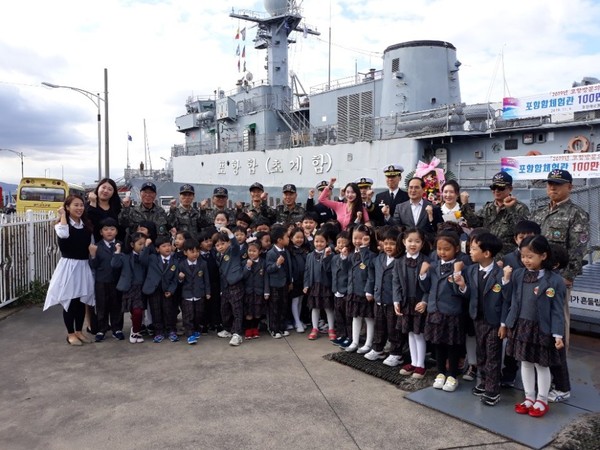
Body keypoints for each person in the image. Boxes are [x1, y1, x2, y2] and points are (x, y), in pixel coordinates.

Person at [529, 169, 588, 403]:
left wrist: (567, 276)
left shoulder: (576, 214)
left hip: (558, 281)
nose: (552, 188)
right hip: (536, 279)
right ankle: (543, 374)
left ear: (569, 187)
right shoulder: (541, 212)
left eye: (558, 185)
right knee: (538, 326)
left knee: (558, 328)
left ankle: (560, 381)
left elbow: (578, 250)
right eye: (550, 184)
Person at [504, 235, 566, 418]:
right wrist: (506, 280)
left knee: (541, 364)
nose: (526, 260)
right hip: (522, 326)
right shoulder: (517, 274)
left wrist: (558, 335)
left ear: (544, 256)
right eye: (523, 256)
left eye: (530, 256)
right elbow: (510, 298)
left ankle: (542, 399)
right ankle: (529, 397)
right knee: (525, 362)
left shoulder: (554, 281)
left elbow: (557, 310)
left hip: (542, 329)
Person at [454, 232, 510, 406]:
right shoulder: (470, 270)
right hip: (477, 319)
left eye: (473, 249)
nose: (470, 251)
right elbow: (468, 294)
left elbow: (507, 300)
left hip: (494, 322)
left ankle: (493, 390)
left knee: (493, 355)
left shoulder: (500, 273)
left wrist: (503, 324)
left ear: (486, 253)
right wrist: (462, 286)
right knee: (481, 352)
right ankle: (484, 382)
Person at [43, 195, 95, 346]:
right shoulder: (61, 225)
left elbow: (89, 244)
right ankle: (70, 333)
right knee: (70, 301)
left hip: (83, 265)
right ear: (67, 207)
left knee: (80, 300)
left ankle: (79, 331)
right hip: (69, 266)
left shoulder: (86, 225)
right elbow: (64, 234)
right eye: (75, 205)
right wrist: (62, 216)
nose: (79, 208)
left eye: (81, 205)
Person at [422, 231, 470, 392]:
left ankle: (452, 375)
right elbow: (426, 288)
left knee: (452, 345)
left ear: (456, 249)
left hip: (451, 312)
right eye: (439, 249)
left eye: (446, 249)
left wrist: (457, 273)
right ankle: (440, 372)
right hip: (435, 311)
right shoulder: (434, 265)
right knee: (438, 344)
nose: (442, 252)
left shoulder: (461, 266)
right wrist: (422, 274)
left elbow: (461, 292)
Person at [460, 172, 530, 258]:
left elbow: (521, 231)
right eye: (493, 187)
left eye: (500, 187)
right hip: (488, 254)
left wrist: (511, 209)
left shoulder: (520, 208)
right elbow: (475, 223)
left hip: (507, 256)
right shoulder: (488, 207)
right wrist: (465, 205)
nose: (496, 190)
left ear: (510, 189)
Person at [394, 228, 431, 379]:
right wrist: (396, 300)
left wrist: (425, 301)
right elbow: (395, 282)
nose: (413, 244)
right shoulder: (399, 261)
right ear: (403, 242)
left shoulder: (426, 261)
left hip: (419, 302)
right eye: (410, 241)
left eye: (417, 241)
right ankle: (414, 362)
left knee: (419, 333)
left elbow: (430, 285)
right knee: (410, 332)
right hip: (405, 302)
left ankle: (421, 365)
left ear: (422, 244)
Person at [364, 228, 403, 366]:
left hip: (393, 301)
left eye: (392, 243)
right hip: (379, 299)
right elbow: (371, 273)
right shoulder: (379, 257)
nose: (388, 247)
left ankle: (396, 353)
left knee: (394, 328)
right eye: (386, 243)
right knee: (379, 326)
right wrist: (370, 291)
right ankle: (378, 349)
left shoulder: (401, 260)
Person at [88, 217, 123, 342]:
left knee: (116, 305)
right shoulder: (96, 246)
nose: (109, 232)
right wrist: (92, 255)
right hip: (101, 281)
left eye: (112, 229)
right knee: (101, 306)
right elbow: (93, 265)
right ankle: (101, 329)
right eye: (106, 229)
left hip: (116, 281)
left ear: (116, 231)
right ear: (101, 232)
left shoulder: (120, 245)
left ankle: (117, 329)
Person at [344, 224, 377, 353]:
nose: (357, 241)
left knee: (369, 318)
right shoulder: (352, 254)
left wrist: (369, 290)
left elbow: (371, 275)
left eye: (361, 238)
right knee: (355, 317)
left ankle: (368, 343)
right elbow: (348, 271)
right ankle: (355, 341)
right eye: (355, 238)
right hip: (353, 291)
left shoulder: (371, 255)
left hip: (364, 292)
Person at [141, 235, 179, 343]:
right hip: (154, 289)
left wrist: (171, 290)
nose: (167, 248)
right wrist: (146, 246)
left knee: (169, 311)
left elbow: (175, 279)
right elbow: (142, 260)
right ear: (158, 249)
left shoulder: (175, 261)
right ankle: (159, 332)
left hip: (167, 290)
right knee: (155, 311)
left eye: (168, 245)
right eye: (163, 246)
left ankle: (171, 330)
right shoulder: (153, 258)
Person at [112, 232, 147, 344]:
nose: (142, 246)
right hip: (129, 287)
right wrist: (117, 252)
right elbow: (114, 264)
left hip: (141, 287)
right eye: (140, 244)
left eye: (144, 244)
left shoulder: (145, 255)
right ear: (132, 244)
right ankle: (136, 330)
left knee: (138, 311)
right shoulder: (125, 256)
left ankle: (135, 331)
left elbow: (144, 261)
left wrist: (145, 250)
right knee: (135, 311)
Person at [213, 228, 245, 346]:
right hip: (225, 286)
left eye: (223, 243)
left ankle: (237, 333)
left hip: (235, 284)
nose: (220, 246)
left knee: (237, 310)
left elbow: (236, 244)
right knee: (224, 309)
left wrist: (228, 231)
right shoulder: (218, 255)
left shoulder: (233, 251)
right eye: (217, 245)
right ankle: (228, 329)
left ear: (228, 243)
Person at [177, 238, 211, 345]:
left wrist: (208, 292)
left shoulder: (203, 264)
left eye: (197, 251)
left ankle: (196, 329)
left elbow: (206, 279)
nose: (195, 254)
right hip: (187, 294)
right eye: (192, 252)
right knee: (188, 315)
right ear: (185, 252)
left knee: (198, 314)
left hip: (199, 293)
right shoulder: (181, 264)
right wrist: (180, 278)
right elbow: (178, 282)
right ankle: (190, 334)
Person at [304, 229, 335, 340]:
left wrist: (327, 257)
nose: (319, 244)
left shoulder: (330, 255)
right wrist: (306, 284)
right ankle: (315, 328)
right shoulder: (310, 256)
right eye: (317, 241)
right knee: (315, 307)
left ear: (327, 242)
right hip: (314, 285)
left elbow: (330, 270)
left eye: (322, 241)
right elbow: (307, 271)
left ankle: (331, 328)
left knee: (328, 308)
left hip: (326, 285)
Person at [265, 225, 293, 339]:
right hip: (275, 285)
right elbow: (268, 269)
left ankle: (282, 327)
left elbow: (289, 267)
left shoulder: (286, 251)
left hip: (285, 284)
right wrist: (277, 264)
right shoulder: (271, 253)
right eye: (287, 237)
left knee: (283, 306)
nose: (289, 239)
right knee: (274, 307)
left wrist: (290, 280)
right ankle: (273, 329)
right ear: (279, 240)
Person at [242, 238, 269, 339]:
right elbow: (243, 277)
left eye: (254, 251)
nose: (252, 253)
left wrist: (266, 291)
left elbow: (266, 278)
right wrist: (247, 267)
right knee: (249, 313)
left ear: (259, 251)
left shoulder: (263, 262)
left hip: (259, 292)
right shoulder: (245, 262)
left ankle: (255, 329)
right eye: (250, 251)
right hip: (248, 292)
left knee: (257, 312)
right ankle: (248, 330)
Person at [86, 178, 124, 243]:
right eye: (103, 187)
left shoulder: (117, 208)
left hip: (114, 246)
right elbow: (90, 224)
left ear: (113, 193)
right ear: (98, 188)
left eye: (110, 189)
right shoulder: (88, 206)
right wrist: (93, 203)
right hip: (93, 245)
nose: (106, 191)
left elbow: (121, 227)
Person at [331, 231, 352, 347]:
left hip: (345, 291)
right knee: (338, 315)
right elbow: (329, 270)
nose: (340, 245)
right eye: (339, 242)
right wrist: (326, 257)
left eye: (343, 243)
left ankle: (350, 336)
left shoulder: (349, 257)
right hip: (336, 290)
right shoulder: (334, 257)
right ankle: (341, 334)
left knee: (347, 315)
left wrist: (344, 257)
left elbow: (345, 269)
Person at [289, 227, 310, 333]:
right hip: (295, 280)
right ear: (291, 238)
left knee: (301, 300)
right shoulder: (290, 250)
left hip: (303, 279)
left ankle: (298, 320)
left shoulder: (304, 250)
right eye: (297, 237)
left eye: (301, 237)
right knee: (295, 300)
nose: (299, 240)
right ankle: (297, 322)